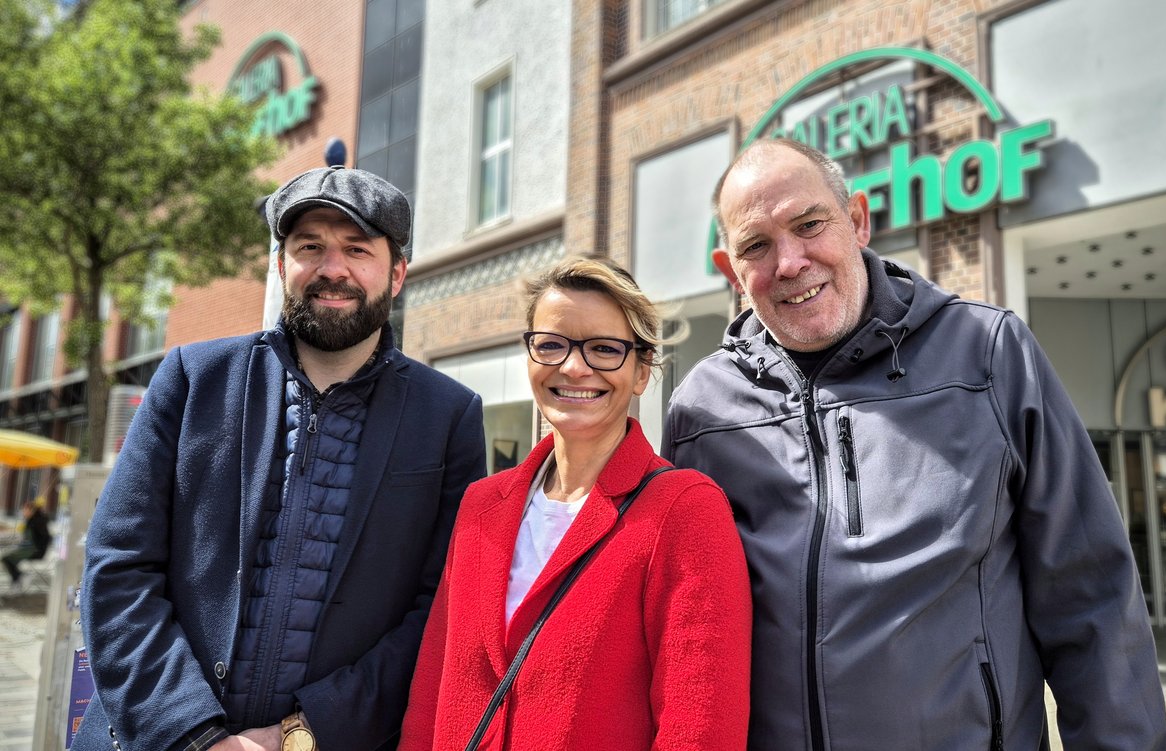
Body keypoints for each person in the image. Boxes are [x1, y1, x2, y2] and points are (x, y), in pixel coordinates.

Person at [662, 139, 1166, 750]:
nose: (790, 262)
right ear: (731, 271)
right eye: (757, 246)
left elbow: (1093, 599)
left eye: (809, 224)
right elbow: (682, 635)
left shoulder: (989, 355)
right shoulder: (701, 412)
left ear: (857, 220)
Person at [78, 166, 487, 751]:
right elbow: (119, 567)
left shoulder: (448, 415)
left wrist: (299, 735)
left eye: (356, 249)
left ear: (397, 274)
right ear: (280, 265)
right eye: (310, 247)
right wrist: (192, 733)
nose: (332, 268)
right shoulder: (193, 380)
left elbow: (442, 610)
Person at [398, 257, 751, 750]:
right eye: (551, 345)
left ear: (643, 370)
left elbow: (701, 728)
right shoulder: (482, 505)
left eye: (605, 348)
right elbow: (432, 688)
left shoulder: (684, 509)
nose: (573, 366)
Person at [2, 500, 51, 588]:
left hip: (35, 551)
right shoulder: (30, 521)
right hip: (28, 549)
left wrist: (39, 547)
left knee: (7, 559)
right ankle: (18, 578)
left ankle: (18, 578)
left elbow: (45, 538)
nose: (23, 512)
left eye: (25, 510)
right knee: (7, 558)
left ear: (31, 510)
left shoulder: (37, 522)